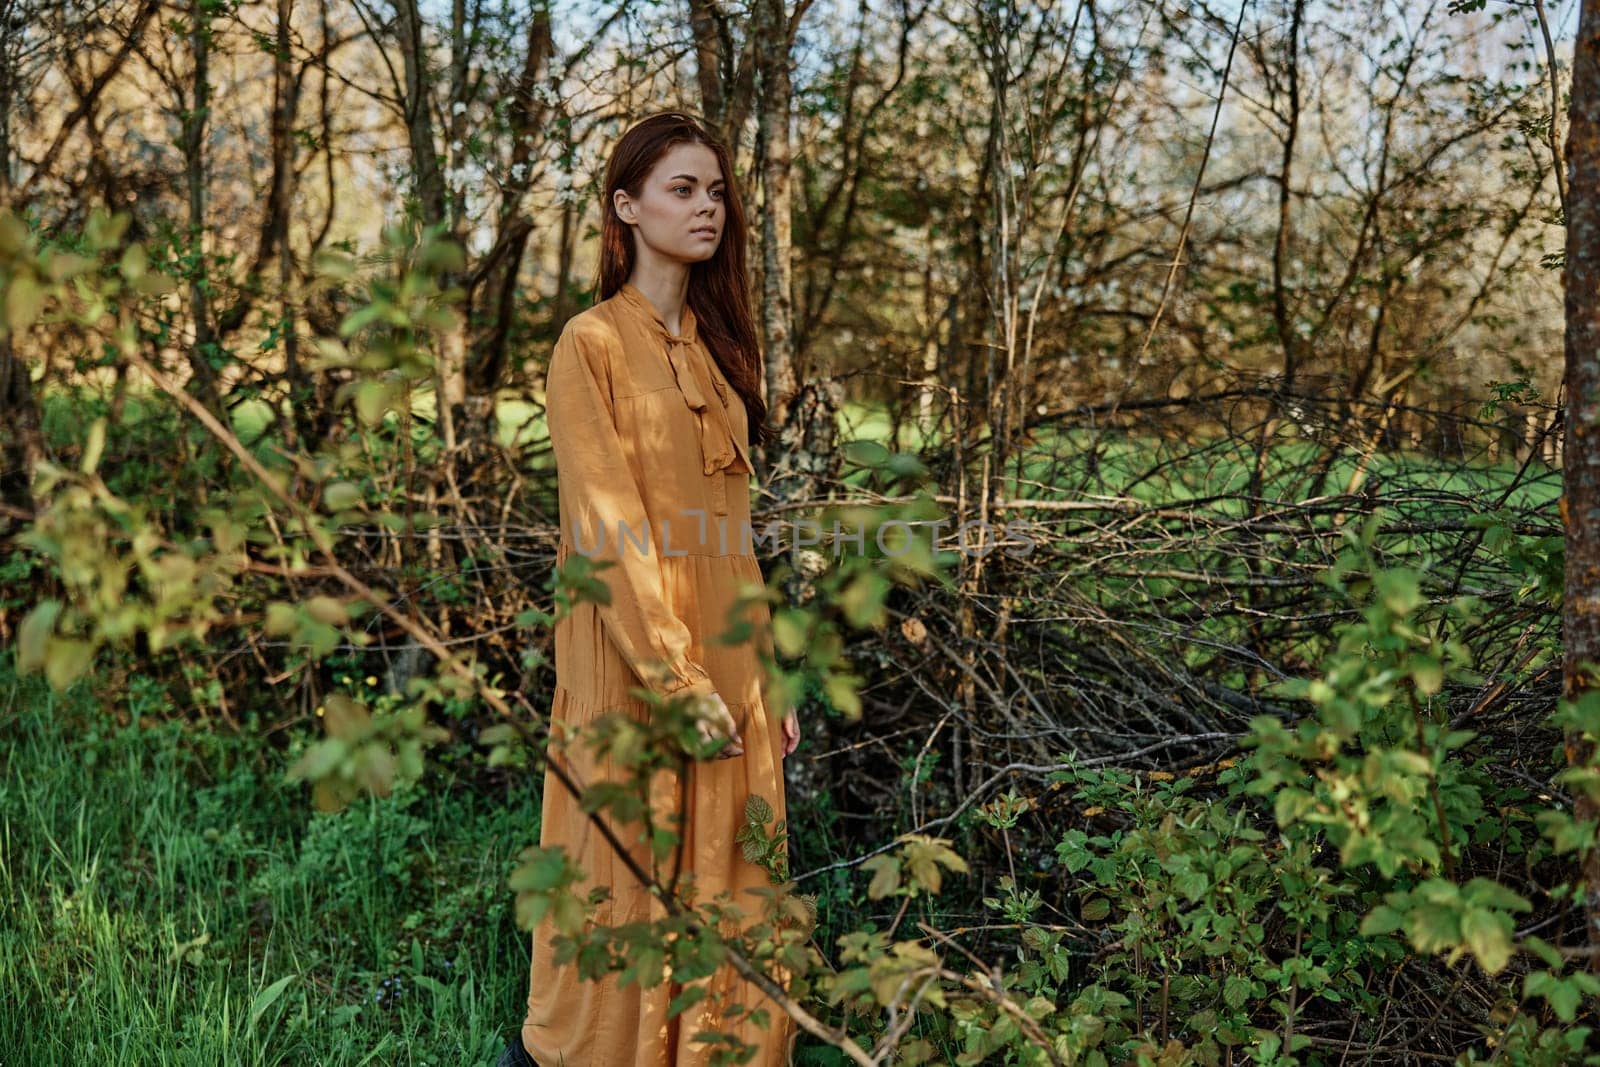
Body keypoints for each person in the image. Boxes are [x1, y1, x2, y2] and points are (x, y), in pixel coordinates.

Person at [498, 111, 801, 1067]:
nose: (707, 206)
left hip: (728, 650)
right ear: (626, 208)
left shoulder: (714, 349)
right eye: (683, 189)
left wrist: (767, 672)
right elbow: (607, 526)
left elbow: (733, 537)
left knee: (732, 869)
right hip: (636, 655)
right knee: (624, 866)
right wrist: (677, 679)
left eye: (716, 190)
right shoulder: (588, 344)